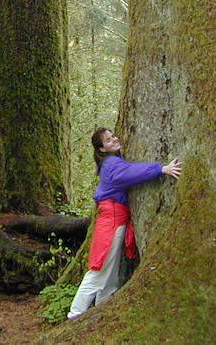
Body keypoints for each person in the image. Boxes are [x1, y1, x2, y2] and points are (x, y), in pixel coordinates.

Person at [67, 127, 182, 319]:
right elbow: (131, 173)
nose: (114, 139)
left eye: (113, 136)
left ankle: (101, 310)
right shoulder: (111, 163)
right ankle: (75, 314)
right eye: (108, 140)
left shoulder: (111, 162)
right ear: (102, 149)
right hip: (111, 220)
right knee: (99, 270)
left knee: (111, 273)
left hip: (114, 219)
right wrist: (161, 169)